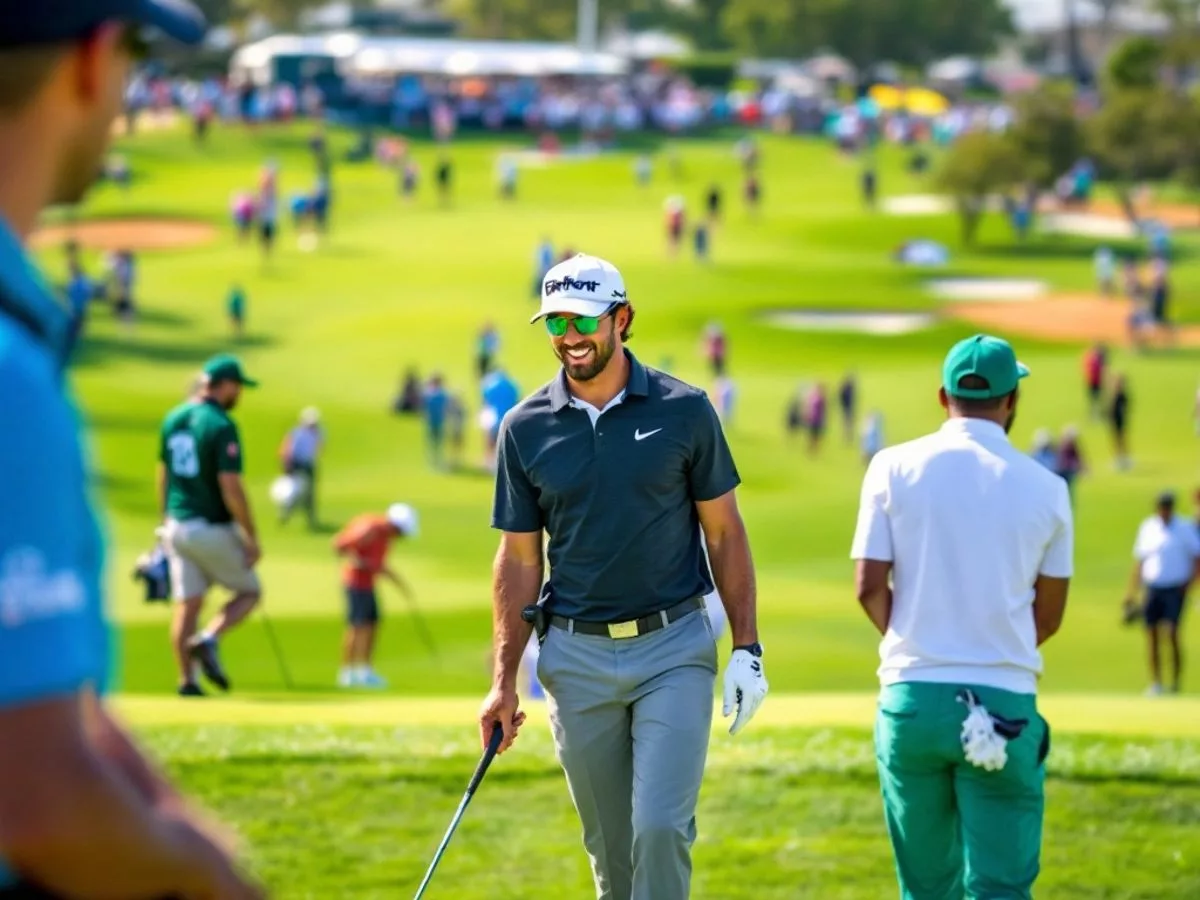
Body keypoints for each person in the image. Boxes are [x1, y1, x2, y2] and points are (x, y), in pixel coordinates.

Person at [0, 3, 264, 897]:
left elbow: (54, 706)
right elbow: (35, 799)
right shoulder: (8, 373)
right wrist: (213, 877)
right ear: (91, 61)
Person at [480, 253, 767, 900]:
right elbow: (520, 560)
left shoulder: (684, 410)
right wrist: (502, 683)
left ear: (622, 318)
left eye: (583, 319)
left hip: (673, 648)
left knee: (661, 829)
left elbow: (724, 531)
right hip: (575, 657)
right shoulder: (524, 429)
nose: (570, 337)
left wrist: (747, 647)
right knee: (613, 858)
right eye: (556, 322)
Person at [851, 334, 1073, 900]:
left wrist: (919, 635)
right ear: (1010, 402)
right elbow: (1048, 615)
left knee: (926, 889)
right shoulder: (1049, 489)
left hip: (912, 704)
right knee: (1001, 888)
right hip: (1004, 703)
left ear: (942, 396)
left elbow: (868, 586)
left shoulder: (890, 466)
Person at [159, 354, 264, 698]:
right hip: (209, 526)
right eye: (239, 387)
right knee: (250, 591)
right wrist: (251, 536)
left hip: (176, 525)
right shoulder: (220, 425)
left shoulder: (173, 417)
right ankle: (210, 638)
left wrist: (164, 521)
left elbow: (164, 476)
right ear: (227, 385)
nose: (240, 395)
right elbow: (230, 487)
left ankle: (187, 681)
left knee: (187, 604)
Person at [332, 504, 419, 688]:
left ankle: (365, 672)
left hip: (368, 585)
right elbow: (340, 546)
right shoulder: (370, 528)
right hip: (355, 583)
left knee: (372, 624)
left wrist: (400, 584)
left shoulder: (385, 536)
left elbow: (380, 565)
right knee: (356, 627)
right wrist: (362, 563)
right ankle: (346, 673)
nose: (400, 537)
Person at [1126, 492, 1200, 695]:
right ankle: (1156, 682)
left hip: (1176, 588)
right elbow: (1140, 561)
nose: (1164, 511)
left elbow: (1196, 557)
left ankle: (1175, 682)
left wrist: (1191, 584)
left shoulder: (1184, 528)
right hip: (1153, 588)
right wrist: (1132, 591)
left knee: (1172, 632)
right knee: (1151, 635)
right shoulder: (1148, 527)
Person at [278, 406, 323, 528]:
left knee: (310, 493)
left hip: (309, 464)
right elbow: (287, 450)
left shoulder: (319, 432)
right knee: (294, 491)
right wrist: (287, 466)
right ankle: (285, 514)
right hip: (296, 464)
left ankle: (310, 519)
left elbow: (319, 448)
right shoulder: (296, 433)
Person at [422, 373, 449, 469]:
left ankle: (433, 462)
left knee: (432, 442)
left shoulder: (429, 394)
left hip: (431, 421)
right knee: (438, 442)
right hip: (439, 421)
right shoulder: (442, 394)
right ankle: (437, 461)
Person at [1109, 374, 1131, 470]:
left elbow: (1123, 409)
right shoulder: (1116, 395)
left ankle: (1123, 459)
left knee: (1121, 440)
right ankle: (1119, 458)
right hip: (1116, 421)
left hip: (1120, 421)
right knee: (1117, 440)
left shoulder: (1121, 396)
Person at [1082, 342, 1106, 419]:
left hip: (1097, 382)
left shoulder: (1099, 359)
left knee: (1098, 399)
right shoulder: (1092, 359)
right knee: (1093, 400)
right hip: (1092, 382)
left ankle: (1098, 414)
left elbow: (1101, 371)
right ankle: (1094, 414)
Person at [838, 372, 857, 445]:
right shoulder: (845, 390)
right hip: (846, 408)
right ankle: (847, 436)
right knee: (847, 423)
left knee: (849, 423)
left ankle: (848, 436)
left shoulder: (850, 389)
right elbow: (842, 399)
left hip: (849, 408)